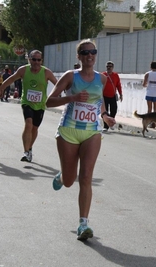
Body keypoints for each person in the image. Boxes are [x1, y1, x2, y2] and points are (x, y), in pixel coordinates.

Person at [46, 39, 115, 241]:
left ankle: (83, 224)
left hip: (92, 132)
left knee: (85, 177)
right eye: (85, 53)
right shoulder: (70, 76)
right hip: (68, 131)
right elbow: (49, 101)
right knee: (69, 181)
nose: (89, 55)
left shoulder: (101, 79)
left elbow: (98, 100)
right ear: (79, 56)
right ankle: (61, 177)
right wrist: (71, 98)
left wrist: (104, 116)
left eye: (93, 51)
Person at [0, 50, 57, 162]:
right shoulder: (23, 70)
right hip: (27, 102)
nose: (36, 62)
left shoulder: (46, 72)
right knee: (28, 124)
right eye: (34, 59)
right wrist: (1, 88)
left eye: (38, 60)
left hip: (40, 105)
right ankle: (26, 152)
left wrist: (59, 96)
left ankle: (29, 148)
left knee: (35, 128)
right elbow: (12, 79)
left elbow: (58, 84)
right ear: (29, 59)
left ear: (41, 61)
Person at [102, 61, 123, 131]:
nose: (108, 68)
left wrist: (121, 94)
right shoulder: (103, 75)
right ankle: (105, 126)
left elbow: (118, 85)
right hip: (104, 96)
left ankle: (110, 122)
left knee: (114, 110)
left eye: (110, 66)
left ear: (112, 67)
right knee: (105, 111)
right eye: (107, 66)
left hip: (112, 96)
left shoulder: (115, 75)